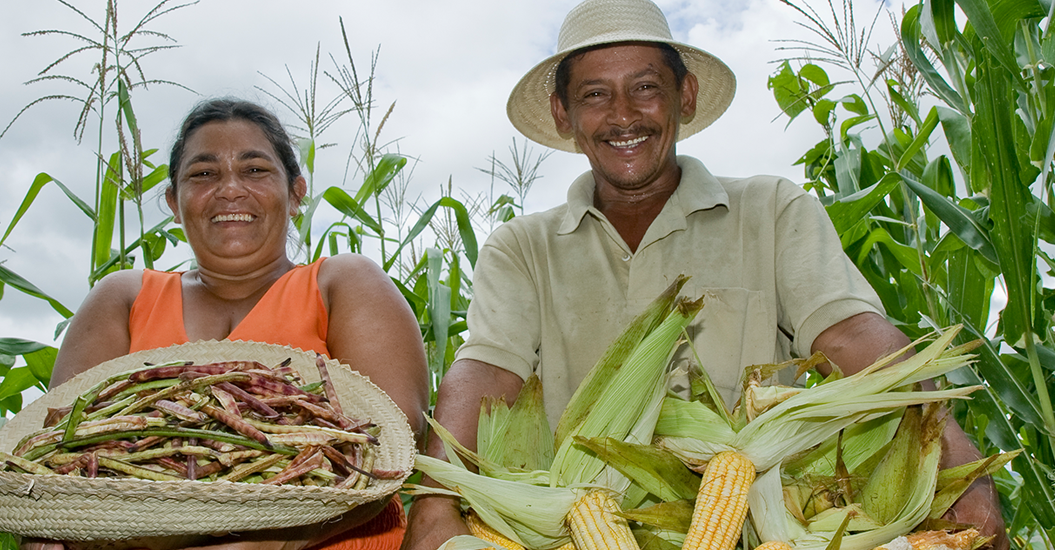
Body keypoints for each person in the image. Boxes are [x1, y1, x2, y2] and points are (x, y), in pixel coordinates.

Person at [400, 0, 1006, 549]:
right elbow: (487, 370)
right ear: (563, 113)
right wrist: (435, 507)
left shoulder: (771, 210)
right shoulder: (522, 247)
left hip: (754, 527)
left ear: (685, 96)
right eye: (593, 95)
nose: (623, 116)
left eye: (645, 88)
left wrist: (945, 448)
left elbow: (849, 334)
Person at [27, 98, 429, 550]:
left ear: (296, 194)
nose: (230, 189)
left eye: (255, 169)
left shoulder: (343, 283)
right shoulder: (123, 298)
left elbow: (395, 439)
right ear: (173, 204)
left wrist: (272, 540)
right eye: (203, 174)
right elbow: (61, 451)